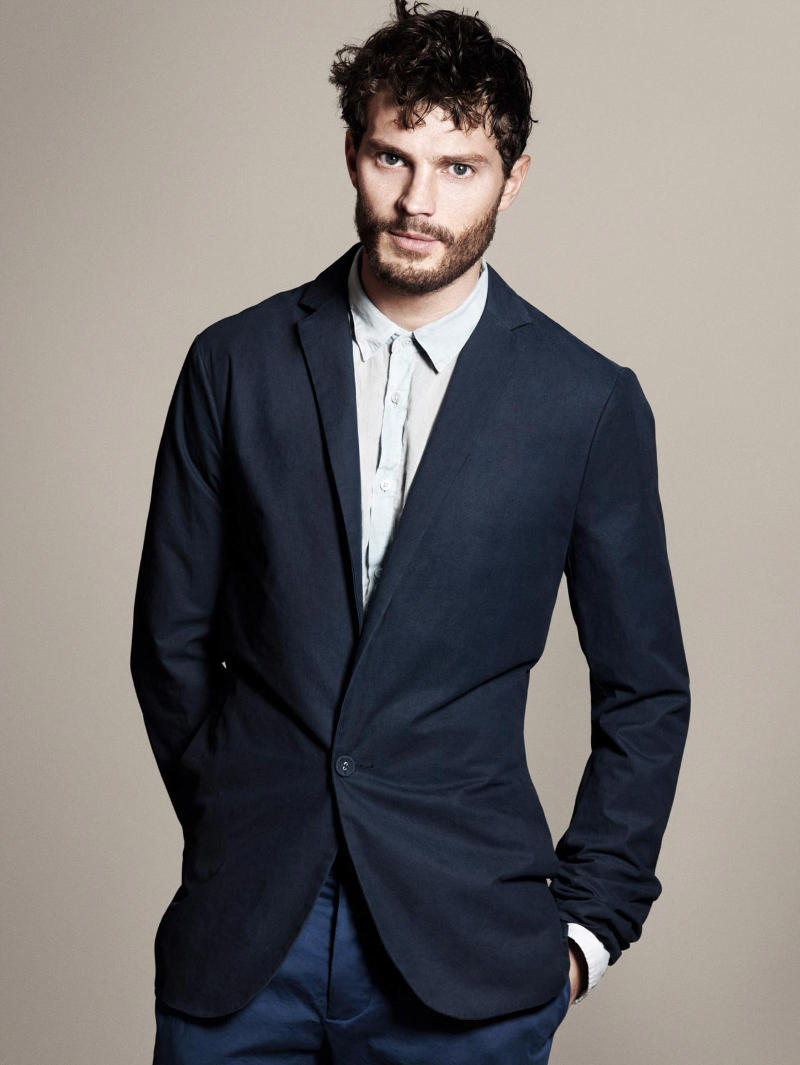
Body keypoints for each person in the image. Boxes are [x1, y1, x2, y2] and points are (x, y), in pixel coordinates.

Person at [130, 2, 690, 1062]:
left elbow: (645, 688)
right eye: (394, 156)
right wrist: (241, 823)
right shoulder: (233, 365)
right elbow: (170, 641)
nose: (418, 202)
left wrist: (588, 929)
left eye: (459, 167)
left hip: (470, 951)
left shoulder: (585, 403)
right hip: (246, 939)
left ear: (512, 179)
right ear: (353, 150)